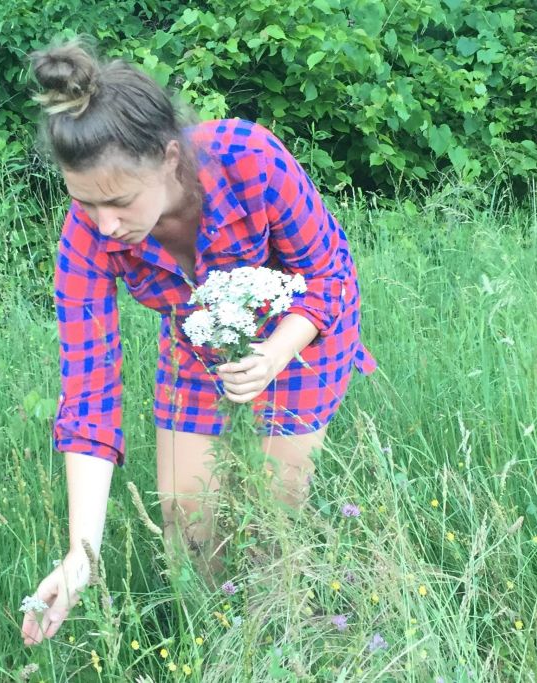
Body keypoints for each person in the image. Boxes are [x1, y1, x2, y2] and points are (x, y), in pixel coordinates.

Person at [20, 38, 376, 647]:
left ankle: (282, 634)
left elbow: (328, 275)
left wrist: (275, 353)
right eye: (85, 203)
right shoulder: (89, 234)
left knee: (272, 513)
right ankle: (219, 643)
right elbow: (89, 393)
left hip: (305, 329)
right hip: (200, 340)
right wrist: (83, 555)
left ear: (167, 157)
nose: (105, 224)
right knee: (187, 523)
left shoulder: (248, 158)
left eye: (119, 201)